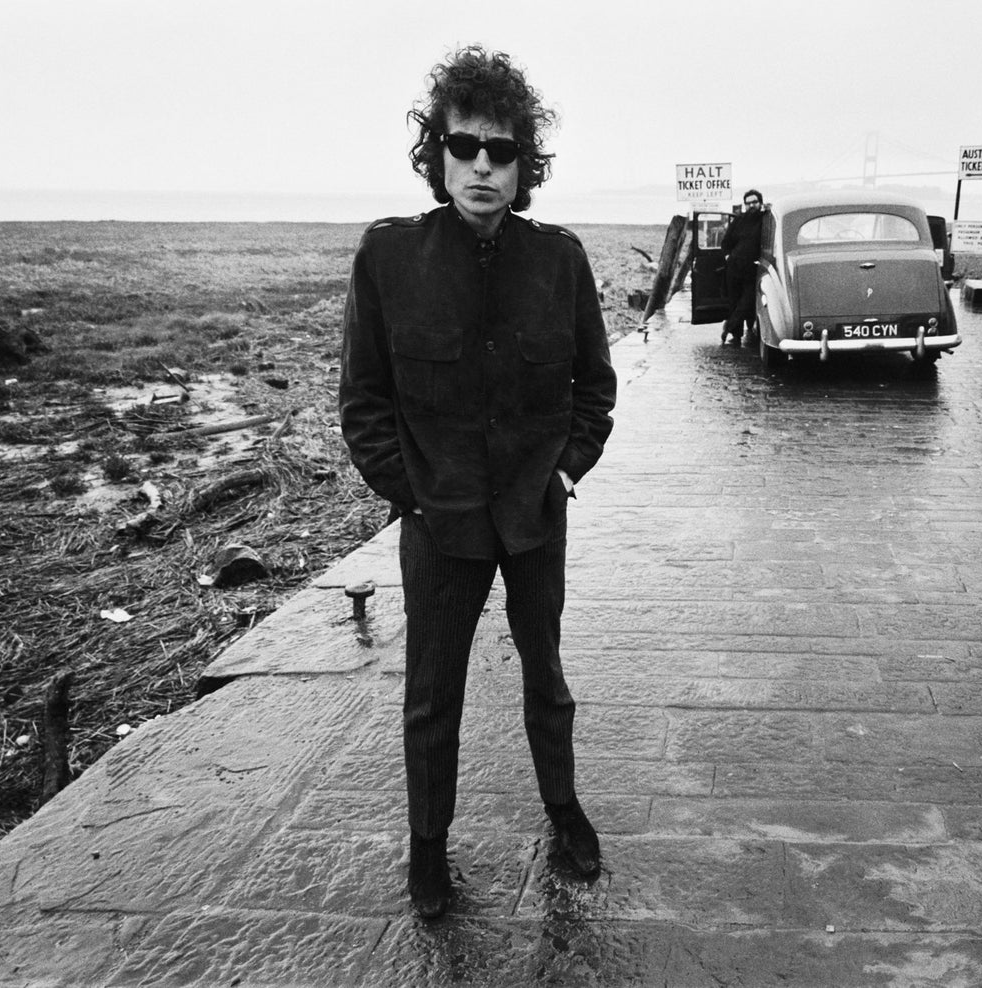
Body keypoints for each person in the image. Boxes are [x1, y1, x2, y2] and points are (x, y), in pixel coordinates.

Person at [339, 45, 617, 920]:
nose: (483, 166)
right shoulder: (387, 259)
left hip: (535, 511)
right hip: (438, 519)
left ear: (524, 166)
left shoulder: (560, 260)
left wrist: (567, 470)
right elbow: (364, 401)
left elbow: (594, 389)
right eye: (465, 148)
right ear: (439, 155)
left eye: (502, 152)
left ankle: (563, 811)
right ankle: (428, 853)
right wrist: (409, 494)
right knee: (432, 697)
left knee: (547, 676)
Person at [720, 189, 764, 345]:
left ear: (760, 203)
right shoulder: (739, 220)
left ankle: (729, 326)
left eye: (754, 202)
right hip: (735, 268)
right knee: (734, 301)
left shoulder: (765, 220)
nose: (751, 205)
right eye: (748, 203)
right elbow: (726, 243)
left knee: (747, 301)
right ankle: (736, 336)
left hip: (754, 269)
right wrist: (728, 257)